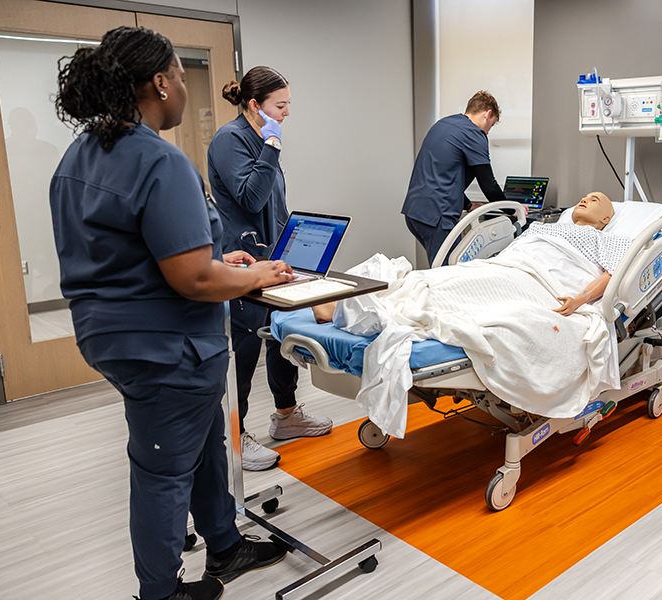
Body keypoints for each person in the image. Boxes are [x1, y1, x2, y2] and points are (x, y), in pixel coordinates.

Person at [51, 26, 293, 600]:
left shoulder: (81, 154)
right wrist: (252, 273)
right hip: (166, 348)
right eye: (181, 77)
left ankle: (226, 545)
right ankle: (160, 592)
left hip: (119, 336)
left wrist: (215, 257)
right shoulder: (158, 160)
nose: (185, 86)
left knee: (208, 439)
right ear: (160, 82)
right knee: (161, 472)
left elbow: (142, 251)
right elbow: (194, 279)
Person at [207, 66, 333, 472]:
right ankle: (235, 436)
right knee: (244, 352)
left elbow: (273, 203)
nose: (287, 113)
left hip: (272, 256)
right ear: (254, 106)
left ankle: (286, 416)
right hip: (244, 263)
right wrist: (272, 145)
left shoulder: (260, 138)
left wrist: (290, 249)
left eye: (288, 105)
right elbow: (249, 197)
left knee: (283, 336)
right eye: (280, 106)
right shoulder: (231, 140)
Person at [313, 191, 620, 324]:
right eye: (585, 196)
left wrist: (579, 300)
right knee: (438, 278)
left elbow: (612, 275)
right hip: (508, 266)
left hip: (536, 282)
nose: (584, 199)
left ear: (605, 218)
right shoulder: (544, 227)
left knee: (459, 294)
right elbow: (515, 251)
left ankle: (353, 309)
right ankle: (356, 302)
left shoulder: (605, 239)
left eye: (594, 200)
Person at [401, 90, 509, 266]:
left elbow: (443, 173)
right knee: (450, 275)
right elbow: (488, 184)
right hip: (437, 218)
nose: (488, 132)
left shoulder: (444, 124)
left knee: (443, 268)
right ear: (488, 114)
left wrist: (467, 205)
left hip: (415, 213)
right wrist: (511, 209)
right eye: (492, 125)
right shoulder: (474, 133)